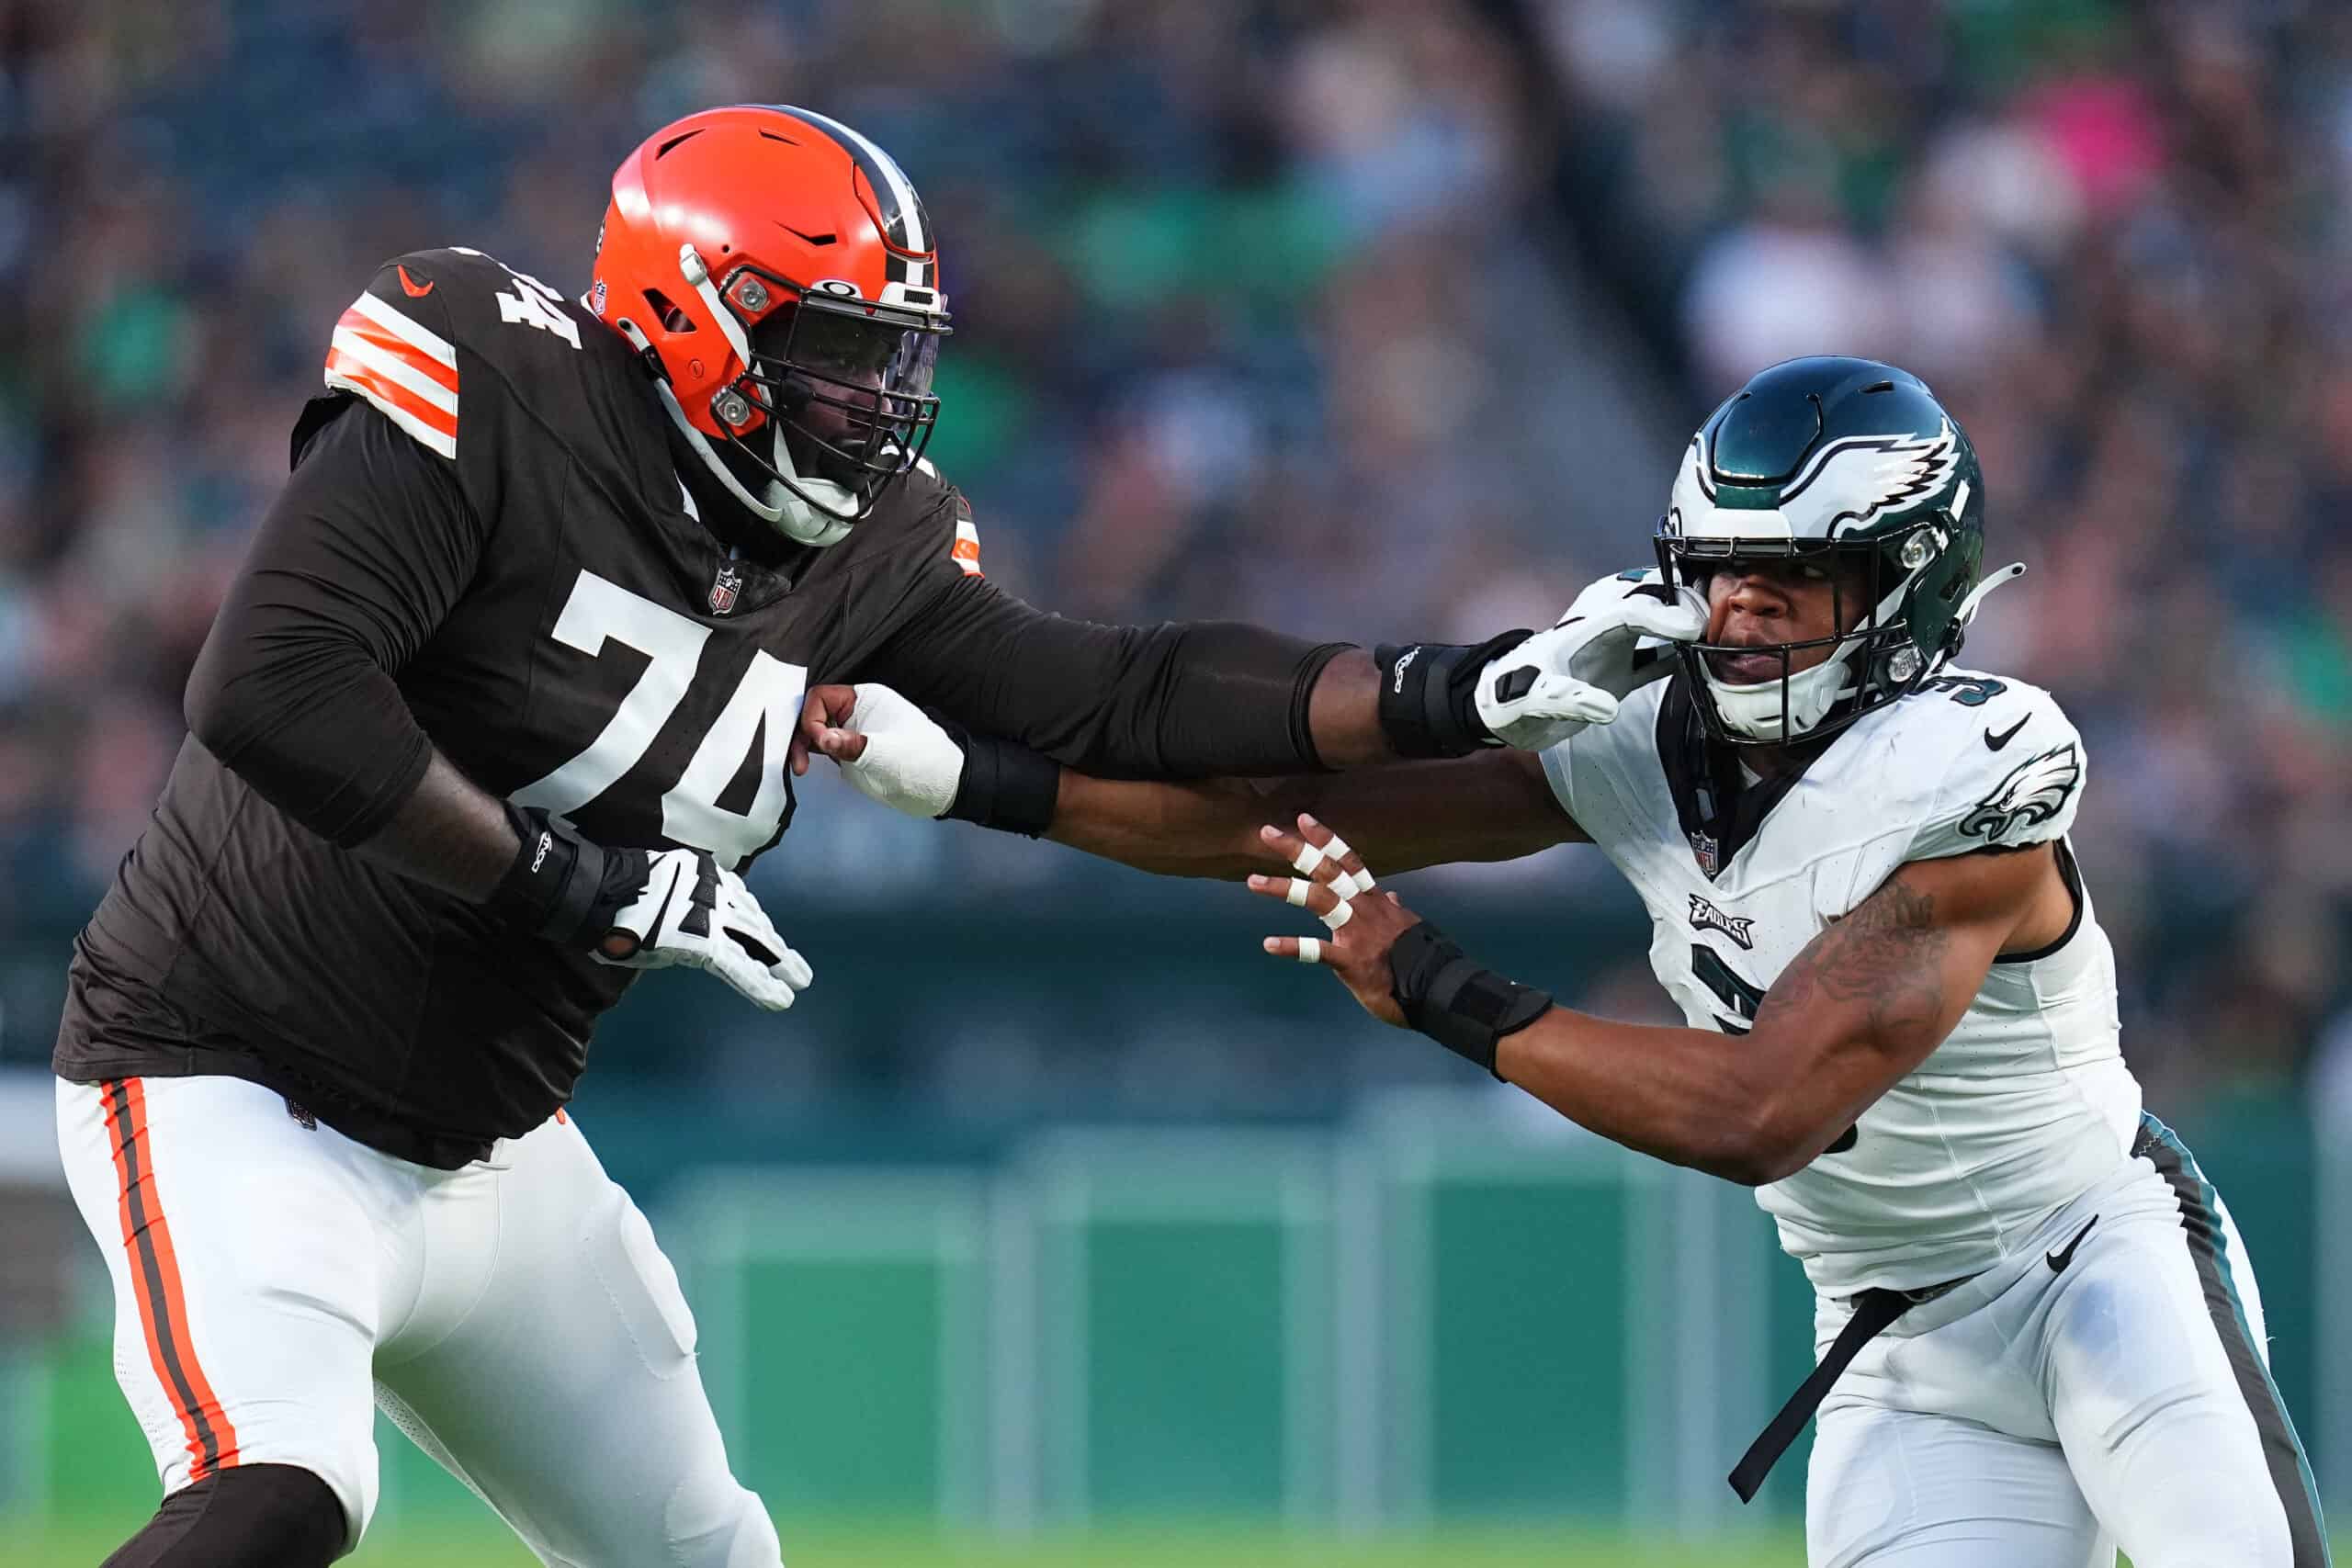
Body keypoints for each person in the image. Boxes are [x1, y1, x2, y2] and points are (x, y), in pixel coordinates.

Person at [48, 103, 1604, 1568]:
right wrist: (571, 880)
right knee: (283, 1496)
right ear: (692, 319)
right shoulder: (493, 376)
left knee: (711, 1553)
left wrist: (1449, 687)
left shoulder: (874, 543)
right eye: (839, 355)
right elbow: (269, 686)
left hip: (495, 1147)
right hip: (227, 1077)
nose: (880, 401)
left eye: (895, 358)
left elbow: (1114, 695)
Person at [825, 357, 2328, 1568]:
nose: (1736, 617)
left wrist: (1435, 986)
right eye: (1719, 575)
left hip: (2095, 1267)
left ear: (1902, 595)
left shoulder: (1976, 767)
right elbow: (1272, 820)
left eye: (1785, 584)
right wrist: (974, 782)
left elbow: (1763, 1111)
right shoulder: (1643, 737)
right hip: (1893, 1338)